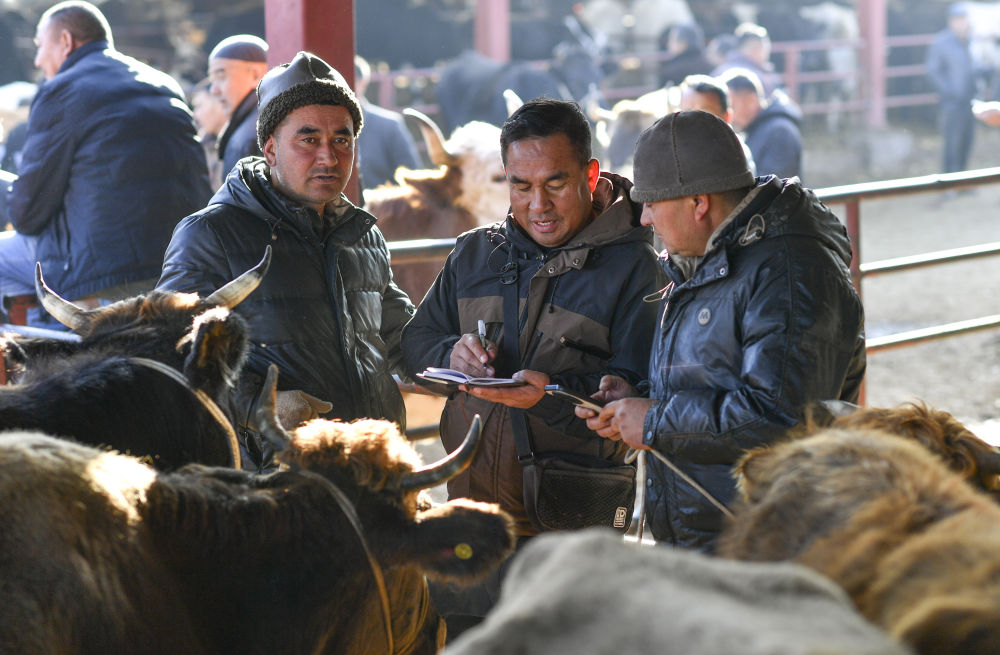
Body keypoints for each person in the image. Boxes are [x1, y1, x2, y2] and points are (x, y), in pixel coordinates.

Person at [401, 97, 664, 635]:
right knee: (465, 636)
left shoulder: (636, 268)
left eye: (555, 184)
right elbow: (416, 343)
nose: (538, 204)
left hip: (573, 522)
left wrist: (551, 395)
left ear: (591, 175)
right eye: (520, 186)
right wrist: (450, 353)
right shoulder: (473, 255)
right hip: (472, 513)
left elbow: (641, 388)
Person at [577, 110, 866, 553]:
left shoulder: (790, 275)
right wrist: (638, 397)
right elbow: (716, 376)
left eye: (652, 203)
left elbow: (783, 416)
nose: (644, 219)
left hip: (768, 543)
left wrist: (654, 421)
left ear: (699, 203)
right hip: (713, 533)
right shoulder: (708, 258)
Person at [157, 51, 415, 443]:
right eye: (308, 139)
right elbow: (168, 352)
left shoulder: (361, 233)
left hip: (370, 456)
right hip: (275, 466)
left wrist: (454, 357)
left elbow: (399, 334)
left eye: (342, 140)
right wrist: (260, 404)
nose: (328, 157)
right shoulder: (211, 235)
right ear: (271, 150)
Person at [0, 0, 210, 324]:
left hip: (100, 273)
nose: (38, 60)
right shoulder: (163, 84)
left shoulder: (62, 89)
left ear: (66, 41)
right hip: (180, 263)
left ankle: (53, 340)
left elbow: (28, 212)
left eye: (40, 46)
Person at [354, 54, 421, 190]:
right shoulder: (324, 126)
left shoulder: (389, 126)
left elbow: (412, 176)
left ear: (362, 82)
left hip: (381, 201)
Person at [722, 67, 802, 180]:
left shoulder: (780, 132)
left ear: (751, 101)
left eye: (732, 106)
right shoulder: (755, 130)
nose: (729, 114)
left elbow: (774, 185)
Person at [926, 4, 978, 174]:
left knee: (966, 141)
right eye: (958, 19)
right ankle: (950, 180)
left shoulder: (968, 41)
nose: (961, 23)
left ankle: (963, 179)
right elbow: (933, 71)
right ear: (951, 21)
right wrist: (949, 92)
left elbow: (972, 68)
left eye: (963, 19)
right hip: (952, 103)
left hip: (969, 100)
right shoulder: (941, 43)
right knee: (952, 143)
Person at [207, 34, 268, 176]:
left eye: (221, 76)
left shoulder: (250, 137)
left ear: (255, 75)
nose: (214, 90)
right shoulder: (263, 122)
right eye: (212, 80)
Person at [676, 73, 756, 175]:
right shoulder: (672, 150)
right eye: (687, 112)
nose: (693, 119)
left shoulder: (736, 153)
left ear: (726, 117)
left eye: (704, 113)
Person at [711, 22, 782, 96]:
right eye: (766, 49)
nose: (767, 54)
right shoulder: (758, 78)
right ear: (756, 48)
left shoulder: (718, 71)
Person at [190, 77, 228, 189]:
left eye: (199, 106)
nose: (195, 115)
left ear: (219, 103)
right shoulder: (204, 145)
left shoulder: (239, 142)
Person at [656, 22, 712, 88]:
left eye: (672, 40)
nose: (668, 44)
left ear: (683, 43)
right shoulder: (709, 64)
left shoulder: (673, 71)